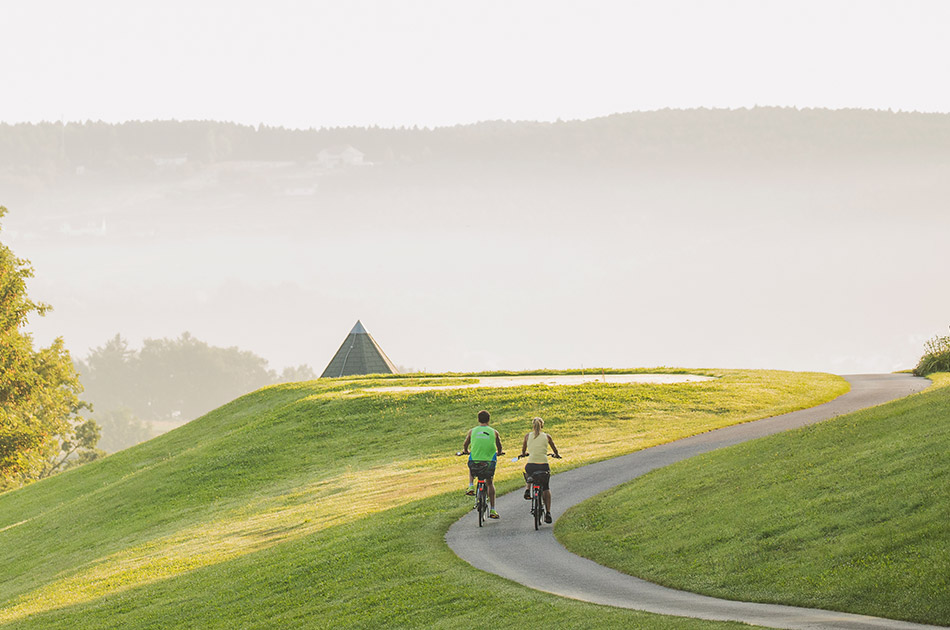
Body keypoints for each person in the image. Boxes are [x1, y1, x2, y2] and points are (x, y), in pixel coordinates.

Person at [461, 409, 503, 519]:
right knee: (489, 482)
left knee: (471, 464)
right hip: (489, 463)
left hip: (475, 463)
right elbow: (499, 446)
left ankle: (471, 486)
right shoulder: (494, 432)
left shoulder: (472, 431)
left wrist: (465, 450)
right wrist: (499, 452)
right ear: (489, 420)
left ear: (478, 420)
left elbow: (465, 444)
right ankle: (492, 509)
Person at [519, 417, 560, 524]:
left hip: (531, 465)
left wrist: (524, 454)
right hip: (543, 465)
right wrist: (556, 455)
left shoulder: (527, 436)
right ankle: (548, 512)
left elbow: (523, 450)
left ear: (533, 425)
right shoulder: (547, 436)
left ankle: (528, 488)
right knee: (546, 488)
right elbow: (554, 449)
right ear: (542, 425)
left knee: (528, 471)